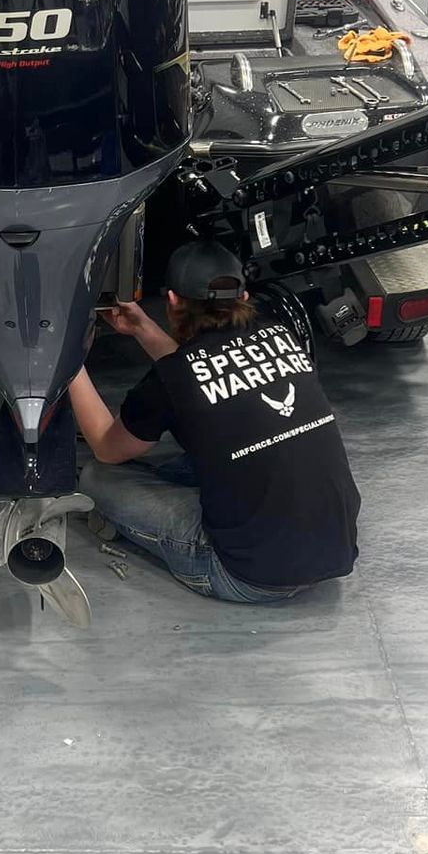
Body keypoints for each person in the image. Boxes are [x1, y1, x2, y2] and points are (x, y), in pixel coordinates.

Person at [66, 239, 361, 604]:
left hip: (246, 575)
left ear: (173, 301)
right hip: (334, 550)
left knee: (98, 476)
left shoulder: (173, 378)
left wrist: (67, 360)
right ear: (244, 295)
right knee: (205, 432)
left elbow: (107, 448)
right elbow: (203, 378)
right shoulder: (280, 335)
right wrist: (143, 329)